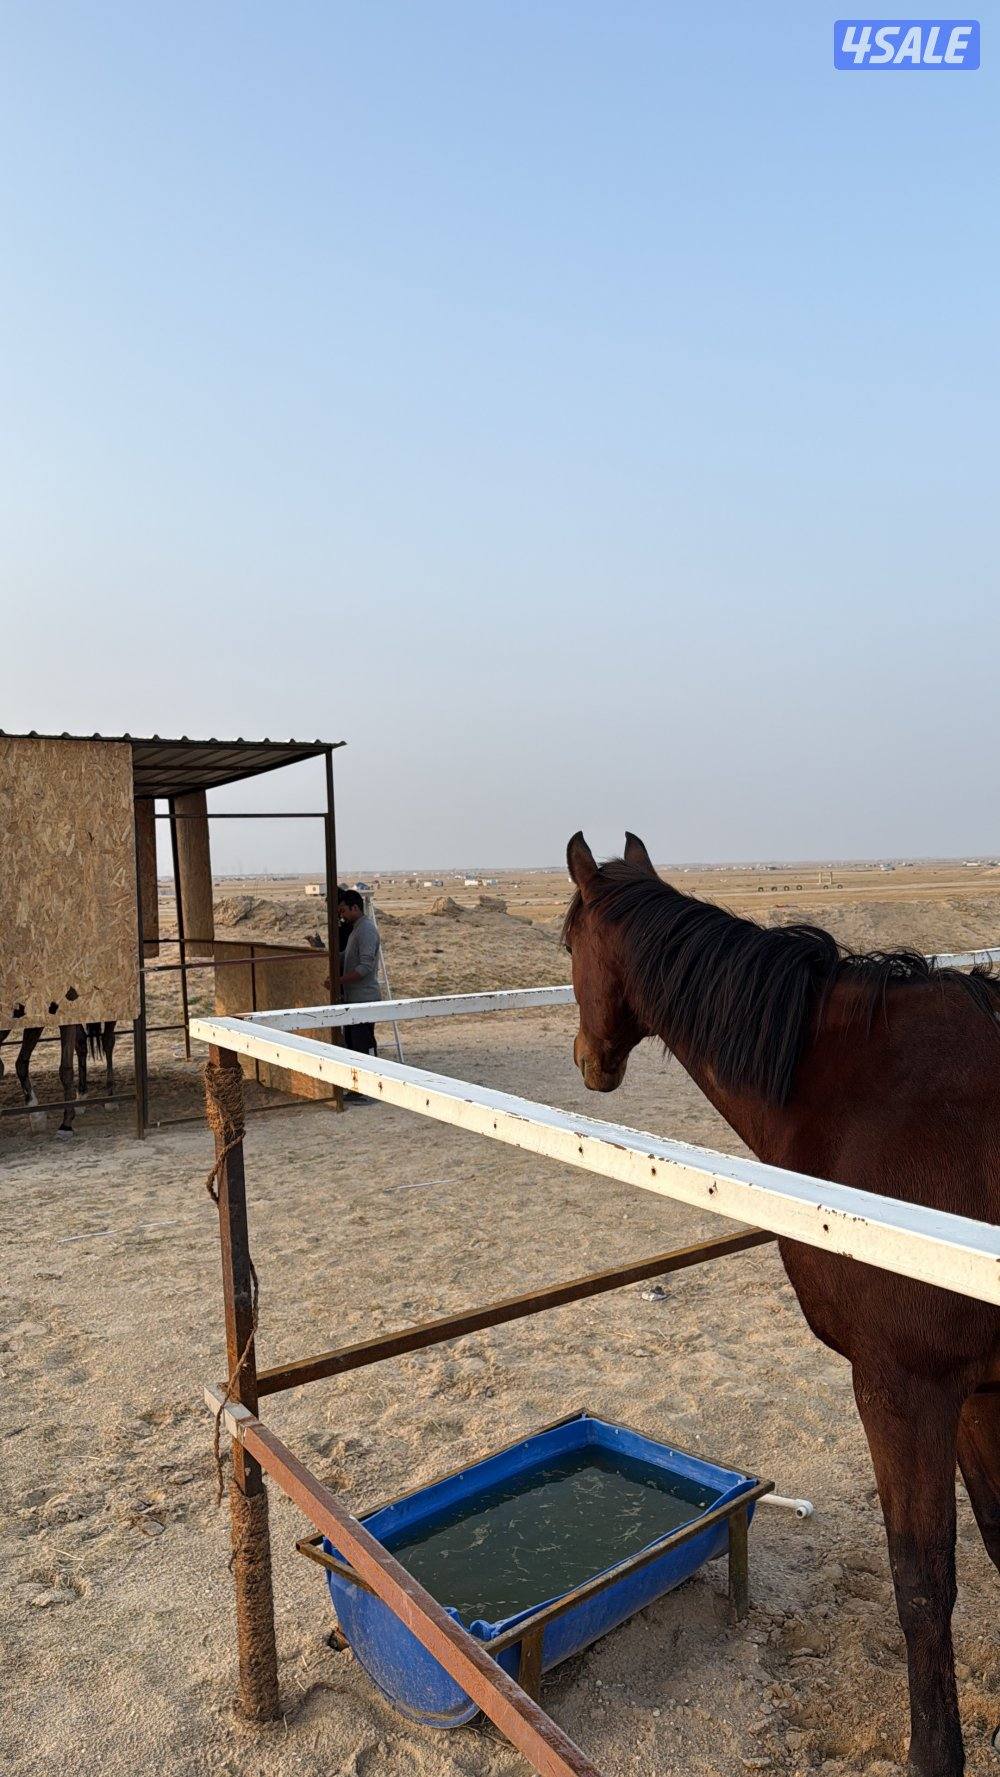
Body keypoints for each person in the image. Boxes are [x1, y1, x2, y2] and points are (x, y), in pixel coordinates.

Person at [336, 888, 381, 1064]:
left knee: (363, 1045)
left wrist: (338, 981)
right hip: (354, 999)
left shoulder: (366, 930)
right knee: (354, 1044)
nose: (342, 916)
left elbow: (364, 968)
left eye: (343, 911)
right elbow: (345, 956)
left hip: (363, 999)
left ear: (355, 908)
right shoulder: (356, 929)